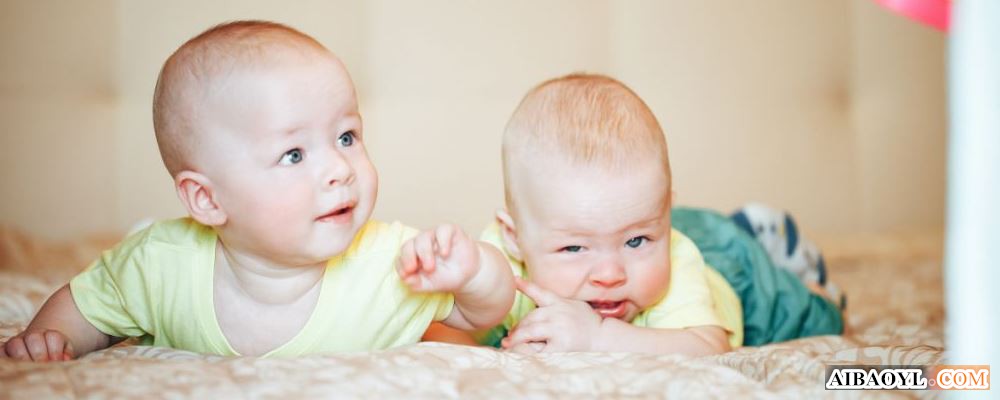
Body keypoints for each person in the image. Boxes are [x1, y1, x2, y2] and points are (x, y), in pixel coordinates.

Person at [0, 20, 514, 361]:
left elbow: (481, 314)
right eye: (294, 154)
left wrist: (473, 271)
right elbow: (87, 307)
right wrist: (54, 339)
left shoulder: (390, 262)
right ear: (208, 199)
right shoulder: (161, 264)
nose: (339, 167)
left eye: (347, 136)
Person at [427, 73, 844, 354]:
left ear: (663, 217)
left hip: (733, 273)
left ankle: (772, 248)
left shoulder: (678, 265)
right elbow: (446, 327)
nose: (610, 274)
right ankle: (730, 227)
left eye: (636, 240)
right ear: (515, 237)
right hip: (678, 227)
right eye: (574, 247)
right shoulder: (502, 261)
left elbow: (708, 347)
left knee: (812, 315)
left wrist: (599, 336)